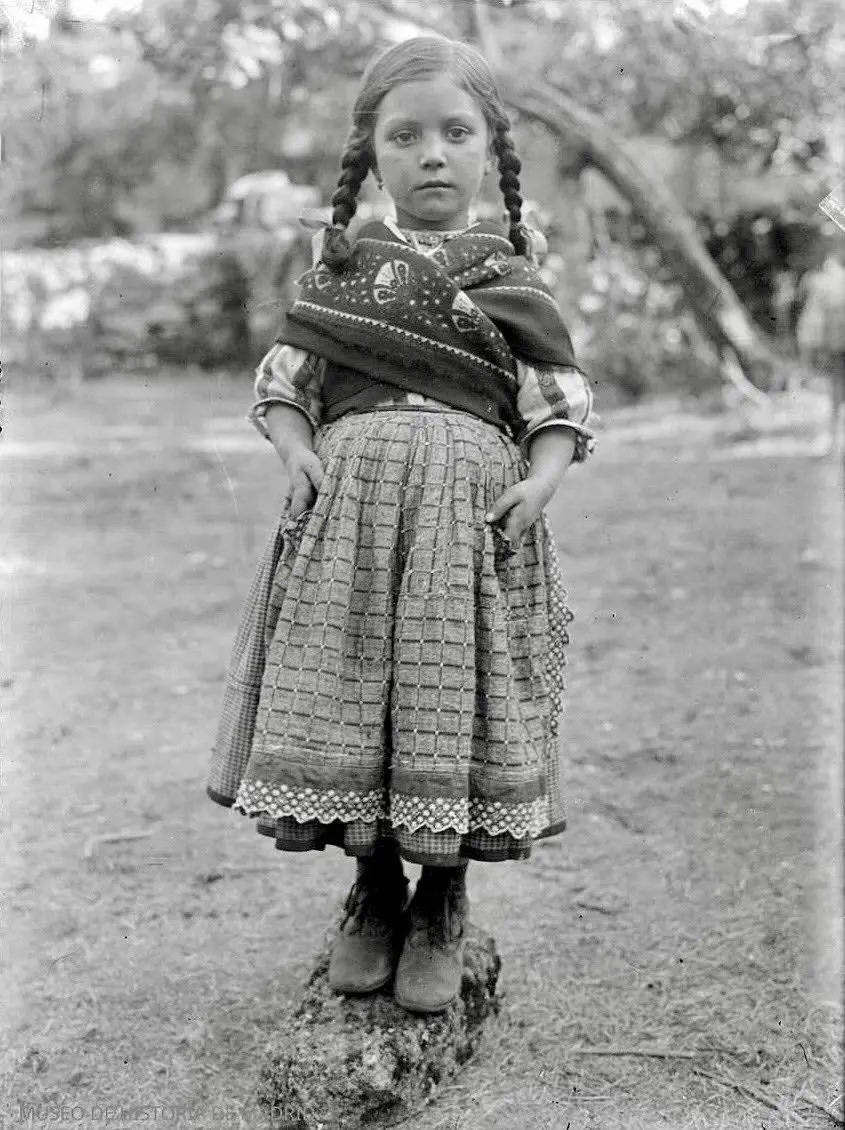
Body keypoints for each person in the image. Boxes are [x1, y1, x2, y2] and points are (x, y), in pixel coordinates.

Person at [207, 35, 595, 1015]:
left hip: (463, 537)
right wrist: (297, 451)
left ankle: (443, 897)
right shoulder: (346, 269)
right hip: (350, 535)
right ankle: (373, 889)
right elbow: (284, 385)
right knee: (352, 700)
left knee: (443, 705)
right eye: (406, 135)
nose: (431, 153)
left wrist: (540, 482)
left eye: (454, 133)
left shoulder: (508, 276)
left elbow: (556, 406)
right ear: (370, 156)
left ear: (485, 151)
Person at [796, 240, 845, 455]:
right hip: (834, 343)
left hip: (831, 343)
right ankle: (833, 440)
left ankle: (833, 440)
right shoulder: (829, 282)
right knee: (834, 391)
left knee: (834, 391)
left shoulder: (822, 281)